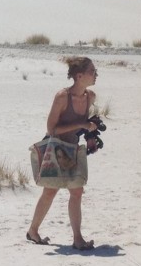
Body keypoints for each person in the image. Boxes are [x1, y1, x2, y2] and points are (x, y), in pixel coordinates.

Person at [26, 57, 99, 251]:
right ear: (79, 76)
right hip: (56, 149)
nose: (96, 74)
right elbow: (52, 129)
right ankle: (33, 230)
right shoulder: (62, 97)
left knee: (77, 191)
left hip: (73, 148)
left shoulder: (91, 96)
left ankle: (77, 238)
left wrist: (91, 136)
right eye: (92, 71)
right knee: (50, 191)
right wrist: (81, 124)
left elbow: (88, 123)